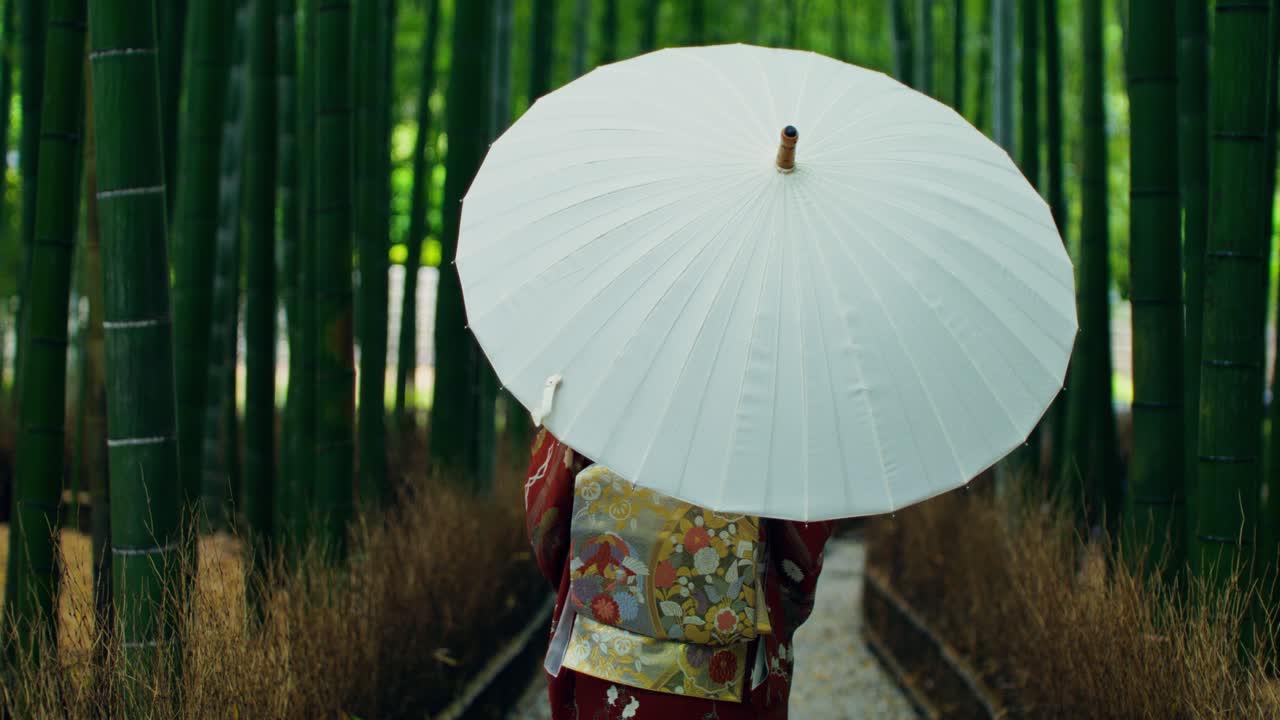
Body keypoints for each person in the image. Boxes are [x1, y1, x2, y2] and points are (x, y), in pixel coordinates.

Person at [524, 429, 836, 719]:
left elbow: (549, 520)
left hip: (603, 650)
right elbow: (799, 552)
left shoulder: (606, 382)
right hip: (728, 664)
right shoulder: (770, 398)